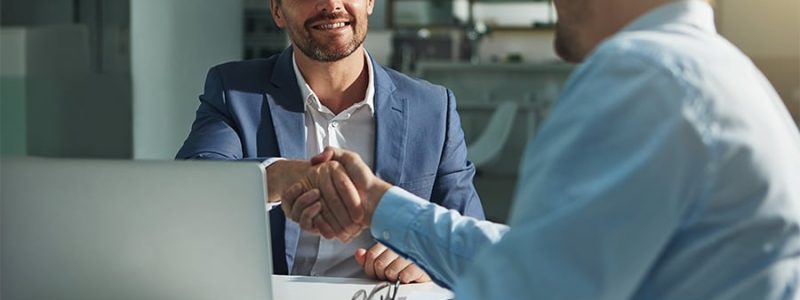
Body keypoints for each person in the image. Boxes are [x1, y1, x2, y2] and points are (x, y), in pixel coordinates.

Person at [282, 0, 800, 298]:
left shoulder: (640, 77)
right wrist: (380, 204)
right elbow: (540, 261)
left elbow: (523, 290)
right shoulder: (714, 72)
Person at [175, 0, 485, 282]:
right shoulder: (234, 91)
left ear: (369, 2)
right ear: (277, 10)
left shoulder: (432, 108)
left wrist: (428, 260)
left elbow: (474, 244)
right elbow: (192, 185)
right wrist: (286, 175)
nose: (332, 4)